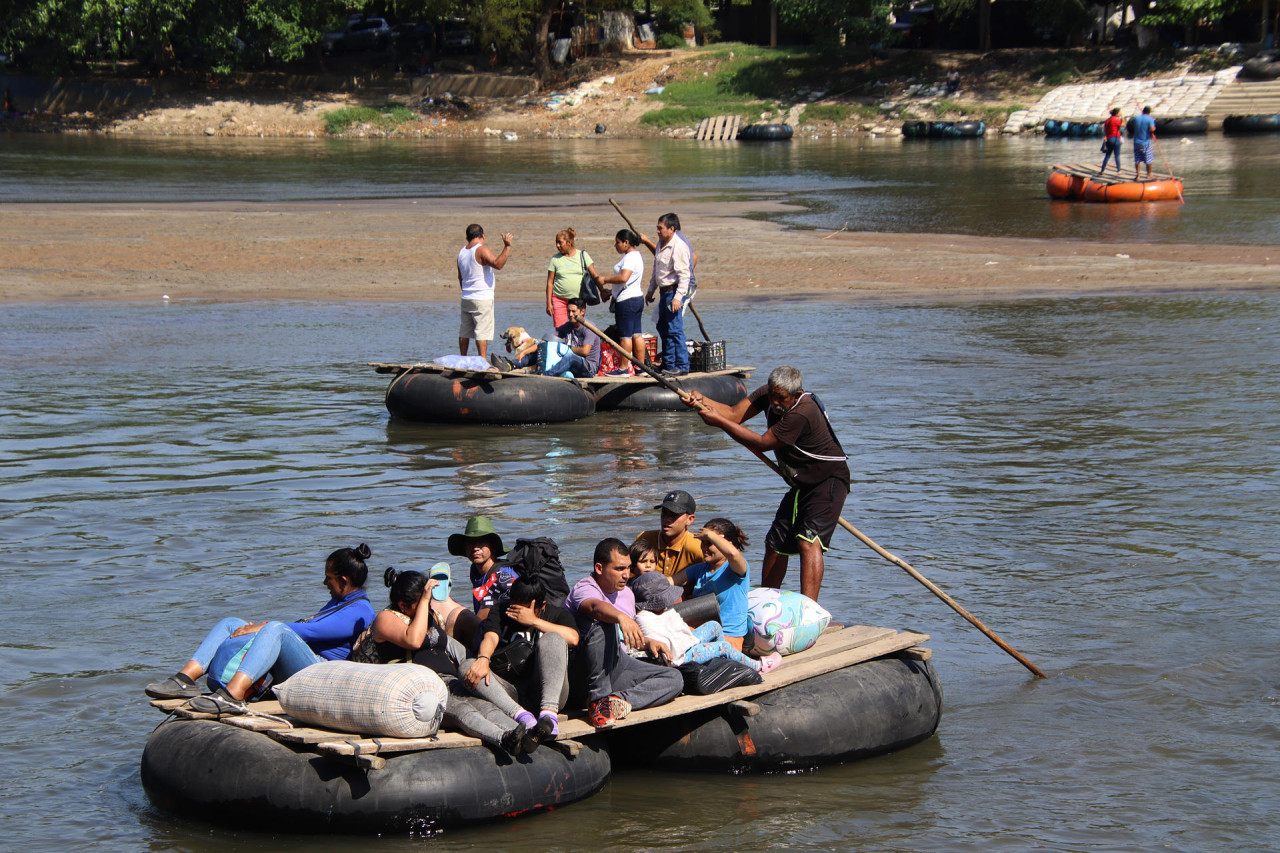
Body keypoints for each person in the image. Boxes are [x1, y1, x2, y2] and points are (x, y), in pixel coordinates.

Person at [144, 544, 377, 714]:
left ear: (344, 581)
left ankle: (232, 696)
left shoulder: (361, 610)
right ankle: (184, 679)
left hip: (322, 673)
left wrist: (262, 628)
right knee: (231, 623)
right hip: (305, 662)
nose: (325, 584)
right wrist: (255, 629)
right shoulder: (340, 602)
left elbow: (312, 632)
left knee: (275, 628)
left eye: (328, 579)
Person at [686, 366, 849, 601]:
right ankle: (764, 602)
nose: (773, 402)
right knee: (775, 543)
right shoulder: (770, 394)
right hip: (801, 483)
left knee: (807, 541)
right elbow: (733, 413)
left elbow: (763, 442)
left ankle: (809, 610)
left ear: (796, 394)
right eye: (771, 395)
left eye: (780, 398)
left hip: (828, 481)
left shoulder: (803, 412)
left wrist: (719, 422)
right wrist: (704, 400)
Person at [356, 568, 533, 755]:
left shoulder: (430, 616)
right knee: (463, 710)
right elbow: (414, 640)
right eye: (424, 601)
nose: (429, 605)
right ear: (402, 605)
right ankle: (503, 738)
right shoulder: (386, 618)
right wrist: (424, 601)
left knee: (485, 705)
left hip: (449, 680)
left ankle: (523, 733)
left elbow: (452, 647)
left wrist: (480, 664)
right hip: (423, 693)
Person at [566, 538, 685, 728]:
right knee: (605, 625)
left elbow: (626, 638)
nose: (626, 575)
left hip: (616, 663)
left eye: (629, 568)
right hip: (584, 671)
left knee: (674, 679)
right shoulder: (584, 588)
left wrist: (647, 642)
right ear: (599, 568)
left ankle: (614, 702)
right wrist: (621, 617)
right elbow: (596, 607)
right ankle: (598, 701)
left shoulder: (627, 594)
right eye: (619, 569)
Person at [463, 576, 578, 746]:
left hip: (546, 693)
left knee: (554, 638)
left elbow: (573, 638)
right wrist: (483, 659)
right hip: (511, 693)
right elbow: (491, 637)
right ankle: (523, 717)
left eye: (525, 610)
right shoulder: (501, 610)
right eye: (515, 608)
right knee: (468, 666)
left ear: (542, 606)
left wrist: (534, 621)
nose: (518, 615)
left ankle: (548, 717)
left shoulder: (556, 614)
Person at [630, 572, 781, 674]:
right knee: (723, 646)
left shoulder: (661, 610)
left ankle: (722, 663)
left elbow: (677, 630)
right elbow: (665, 646)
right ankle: (759, 666)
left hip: (687, 644)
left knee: (714, 626)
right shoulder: (644, 618)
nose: (668, 603)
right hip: (681, 657)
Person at [670, 518, 752, 649]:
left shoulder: (735, 568)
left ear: (727, 544)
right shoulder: (699, 569)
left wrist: (710, 534)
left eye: (710, 543)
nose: (704, 548)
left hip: (728, 638)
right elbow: (669, 582)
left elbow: (734, 554)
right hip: (700, 632)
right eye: (703, 542)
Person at [643, 213, 694, 376]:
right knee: (662, 327)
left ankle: (682, 365)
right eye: (657, 228)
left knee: (674, 329)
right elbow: (656, 271)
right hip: (664, 292)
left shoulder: (678, 246)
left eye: (660, 228)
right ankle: (669, 363)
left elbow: (684, 275)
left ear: (671, 229)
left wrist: (678, 298)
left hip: (673, 291)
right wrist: (650, 291)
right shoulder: (660, 244)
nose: (657, 231)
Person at [457, 223, 513, 359]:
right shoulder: (481, 249)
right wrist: (507, 247)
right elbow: (498, 264)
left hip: (466, 297)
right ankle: (482, 360)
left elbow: (460, 277)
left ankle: (462, 358)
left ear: (467, 237)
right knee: (481, 332)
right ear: (483, 235)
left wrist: (466, 291)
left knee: (465, 331)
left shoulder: (462, 252)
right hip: (481, 298)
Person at [632, 489, 704, 589]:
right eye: (664, 513)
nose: (667, 519)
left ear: (690, 519)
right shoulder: (644, 539)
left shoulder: (698, 548)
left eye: (674, 515)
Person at [595, 229, 647, 365]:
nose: (616, 245)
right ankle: (641, 367)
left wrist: (605, 279)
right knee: (637, 335)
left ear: (626, 242)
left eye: (617, 242)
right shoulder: (637, 256)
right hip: (636, 298)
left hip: (627, 301)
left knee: (625, 337)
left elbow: (624, 278)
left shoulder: (630, 257)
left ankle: (623, 368)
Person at [448, 516, 515, 620]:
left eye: (481, 542)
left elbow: (481, 621)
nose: (475, 548)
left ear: (492, 546)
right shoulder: (475, 570)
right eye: (470, 543)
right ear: (465, 547)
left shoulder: (503, 576)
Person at [545, 228, 601, 330]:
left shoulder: (582, 255)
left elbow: (594, 274)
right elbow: (550, 282)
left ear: (569, 242)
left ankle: (577, 345)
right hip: (559, 299)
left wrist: (602, 290)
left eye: (560, 243)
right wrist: (549, 303)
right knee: (560, 329)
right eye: (556, 243)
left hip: (578, 300)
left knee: (578, 326)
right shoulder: (555, 259)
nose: (557, 245)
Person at [552, 298, 602, 378]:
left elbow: (585, 351)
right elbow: (550, 339)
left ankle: (548, 374)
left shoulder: (589, 328)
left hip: (588, 367)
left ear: (582, 311)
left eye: (573, 311)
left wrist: (566, 348)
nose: (570, 314)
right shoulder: (567, 326)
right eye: (568, 311)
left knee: (570, 357)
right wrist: (525, 352)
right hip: (571, 363)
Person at [1132, 106, 1157, 180]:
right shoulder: (1150, 119)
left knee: (1137, 159)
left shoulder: (1136, 118)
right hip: (1145, 142)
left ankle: (1138, 175)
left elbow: (1133, 124)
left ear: (1142, 111)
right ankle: (1148, 174)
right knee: (1148, 158)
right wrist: (1153, 129)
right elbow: (1152, 129)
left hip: (1136, 141)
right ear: (1149, 112)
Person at [1100, 107, 1124, 174]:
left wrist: (1106, 136)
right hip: (1116, 138)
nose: (1120, 113)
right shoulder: (1116, 120)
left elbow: (1105, 130)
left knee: (1107, 155)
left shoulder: (1107, 120)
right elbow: (1123, 125)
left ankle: (1102, 170)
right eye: (1119, 112)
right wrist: (1123, 117)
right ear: (1116, 113)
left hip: (1109, 139)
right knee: (1117, 155)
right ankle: (1119, 170)